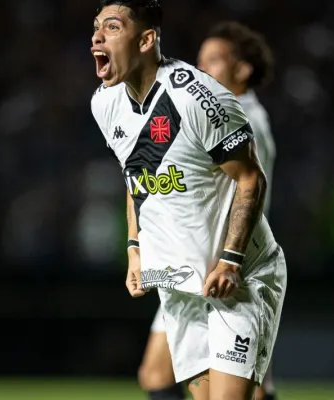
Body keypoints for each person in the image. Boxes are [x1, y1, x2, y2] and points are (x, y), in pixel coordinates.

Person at [89, 0, 287, 400]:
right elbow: (136, 177)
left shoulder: (197, 96)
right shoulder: (105, 104)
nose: (97, 38)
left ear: (146, 40)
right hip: (179, 283)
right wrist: (134, 249)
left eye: (112, 27)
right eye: (95, 29)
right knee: (157, 377)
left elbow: (252, 179)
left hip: (237, 281)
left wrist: (231, 260)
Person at [137, 21, 279, 400]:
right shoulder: (208, 115)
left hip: (221, 266)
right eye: (200, 61)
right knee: (168, 374)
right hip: (194, 265)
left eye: (214, 60)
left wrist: (228, 260)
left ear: (242, 69)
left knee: (227, 384)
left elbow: (247, 190)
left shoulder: (244, 120)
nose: (202, 70)